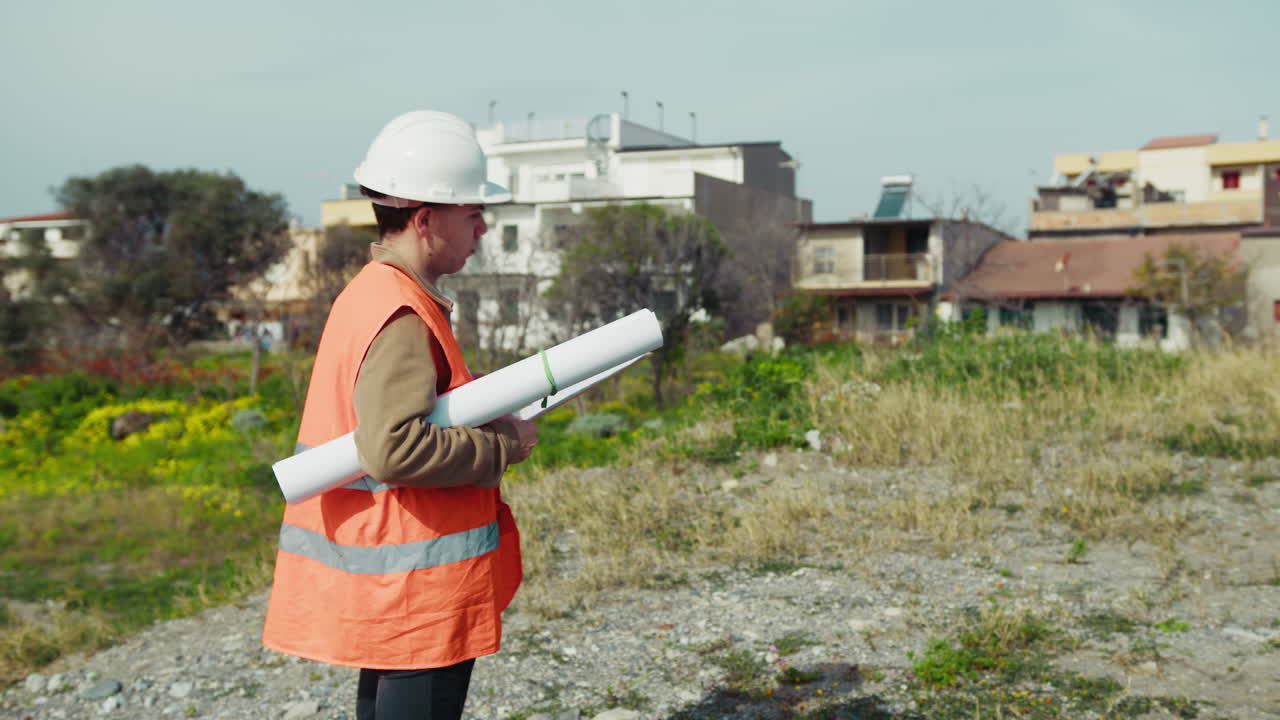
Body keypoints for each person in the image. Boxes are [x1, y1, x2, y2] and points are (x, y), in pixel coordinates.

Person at [262, 110, 538, 720]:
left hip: (402, 580)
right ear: (424, 220)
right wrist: (503, 446)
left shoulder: (376, 292)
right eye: (472, 215)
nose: (483, 228)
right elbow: (393, 448)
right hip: (417, 583)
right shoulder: (402, 311)